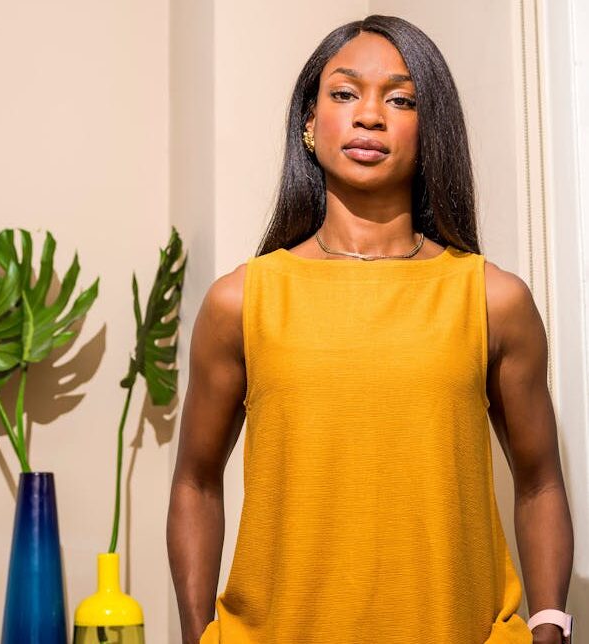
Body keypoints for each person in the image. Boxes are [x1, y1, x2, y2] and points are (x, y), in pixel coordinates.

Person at [166, 14, 574, 644]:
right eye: (345, 93)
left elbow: (541, 478)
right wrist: (198, 635)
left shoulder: (493, 299)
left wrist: (550, 624)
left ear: (429, 129)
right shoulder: (241, 300)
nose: (369, 115)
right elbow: (195, 480)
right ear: (310, 123)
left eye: (401, 99)